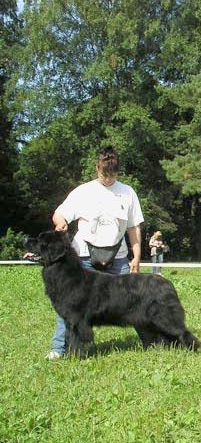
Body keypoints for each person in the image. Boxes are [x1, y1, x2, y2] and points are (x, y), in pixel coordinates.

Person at [46, 146, 144, 360]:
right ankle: (58, 349)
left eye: (112, 175)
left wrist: (136, 256)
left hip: (118, 257)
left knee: (133, 300)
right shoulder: (83, 191)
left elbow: (133, 228)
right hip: (84, 258)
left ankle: (150, 342)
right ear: (97, 168)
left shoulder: (128, 192)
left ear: (118, 172)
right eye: (104, 174)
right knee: (70, 304)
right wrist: (61, 222)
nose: (108, 179)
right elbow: (59, 214)